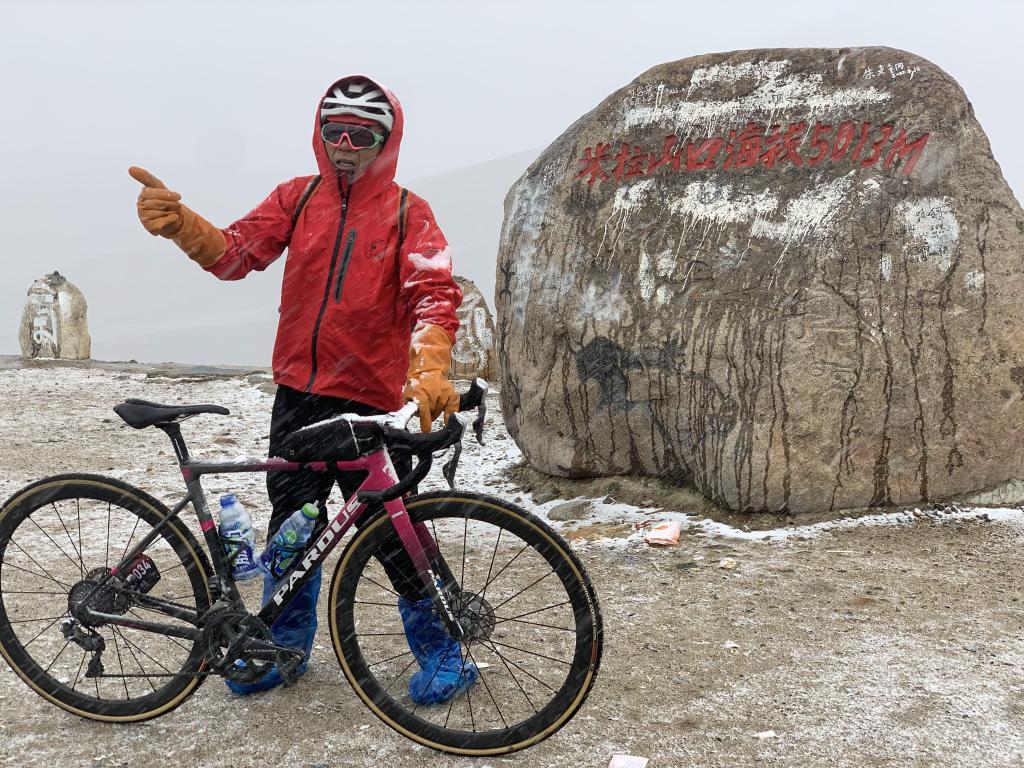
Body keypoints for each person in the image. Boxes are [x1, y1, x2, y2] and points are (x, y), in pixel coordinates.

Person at [129, 75, 477, 704]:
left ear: (388, 141)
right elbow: (235, 255)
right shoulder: (298, 197)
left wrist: (430, 366)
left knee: (397, 533)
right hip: (298, 396)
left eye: (362, 135)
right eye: (333, 131)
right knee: (293, 531)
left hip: (372, 402)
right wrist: (182, 225)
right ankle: (282, 649)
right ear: (319, 134)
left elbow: (433, 293)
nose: (345, 146)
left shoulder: (408, 212)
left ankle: (445, 650)